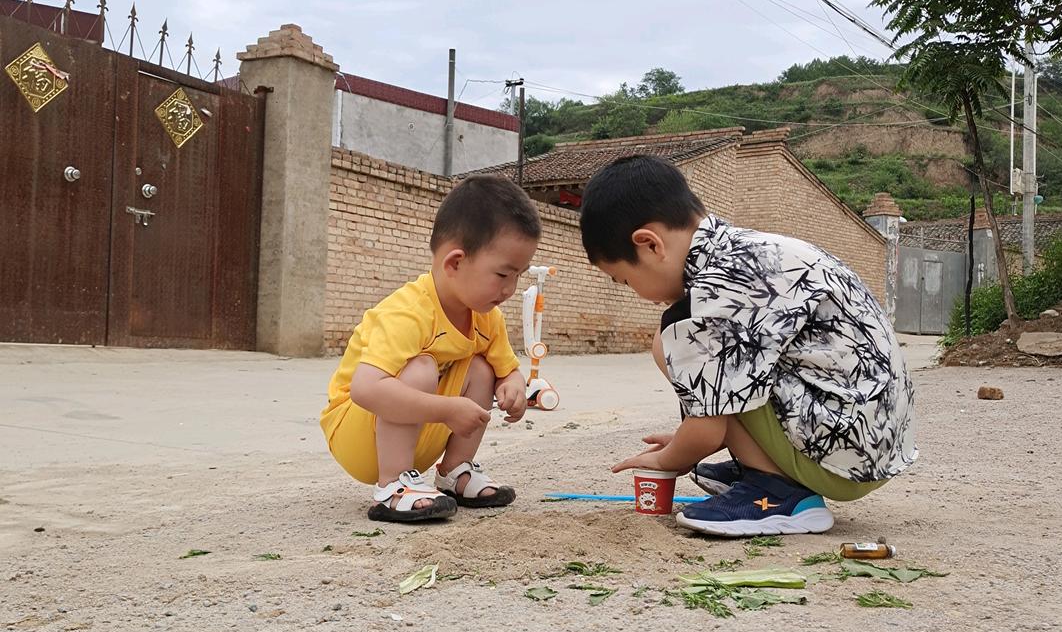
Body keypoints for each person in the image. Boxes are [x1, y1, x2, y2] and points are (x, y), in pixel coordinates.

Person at [579, 154, 917, 538]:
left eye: (624, 280)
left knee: (673, 340)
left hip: (845, 458)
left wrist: (667, 458)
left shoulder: (708, 295)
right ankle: (763, 465)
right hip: (872, 437)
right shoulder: (744, 251)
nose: (636, 293)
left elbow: (707, 430)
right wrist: (695, 432)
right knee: (699, 354)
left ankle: (777, 490)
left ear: (650, 245)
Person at [321, 175, 540, 523]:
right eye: (502, 275)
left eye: (519, 276)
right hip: (359, 434)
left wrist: (512, 383)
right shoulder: (407, 313)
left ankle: (455, 472)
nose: (511, 288)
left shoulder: (487, 318)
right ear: (454, 263)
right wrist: (446, 409)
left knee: (482, 369)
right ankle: (392, 485)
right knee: (421, 366)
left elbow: (506, 367)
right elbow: (366, 389)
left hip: (416, 430)